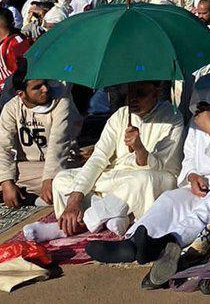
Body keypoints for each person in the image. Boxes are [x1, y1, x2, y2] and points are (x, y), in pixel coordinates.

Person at [88, 69, 210, 284]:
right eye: (202, 106)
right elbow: (188, 159)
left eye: (209, 106)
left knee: (208, 207)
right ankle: (135, 241)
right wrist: (192, 176)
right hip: (203, 182)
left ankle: (171, 244)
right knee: (170, 201)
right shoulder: (199, 116)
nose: (203, 111)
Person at [55, 81, 184, 236]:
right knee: (62, 179)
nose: (133, 100)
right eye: (130, 94)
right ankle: (117, 215)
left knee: (143, 179)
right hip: (117, 178)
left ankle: (89, 219)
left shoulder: (173, 117)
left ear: (155, 94)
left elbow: (162, 166)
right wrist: (75, 197)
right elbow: (99, 157)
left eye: (140, 94)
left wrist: (139, 148)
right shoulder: (121, 115)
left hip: (150, 178)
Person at [0, 77, 82, 207]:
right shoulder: (12, 108)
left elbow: (58, 145)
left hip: (59, 166)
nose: (45, 89)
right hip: (26, 169)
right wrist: (6, 182)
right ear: (21, 94)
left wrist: (49, 178)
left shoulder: (61, 103)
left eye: (45, 84)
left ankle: (26, 197)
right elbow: (0, 148)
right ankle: (29, 196)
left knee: (68, 178)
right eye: (37, 87)